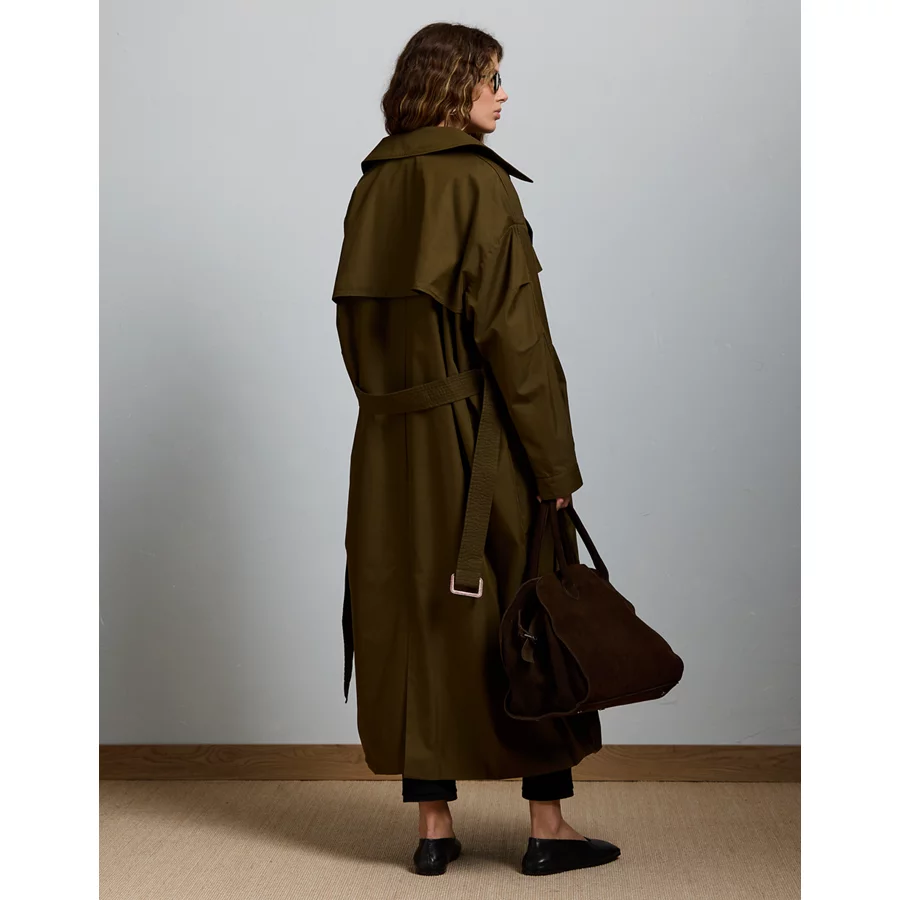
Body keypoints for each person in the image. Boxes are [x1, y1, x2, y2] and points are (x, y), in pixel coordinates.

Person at [331, 22, 621, 877]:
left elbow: (352, 330)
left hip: (388, 448)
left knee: (414, 617)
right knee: (531, 609)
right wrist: (554, 465)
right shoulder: (478, 183)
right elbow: (518, 341)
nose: (502, 93)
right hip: (477, 445)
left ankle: (433, 829)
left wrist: (396, 412)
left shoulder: (371, 187)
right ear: (452, 85)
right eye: (490, 77)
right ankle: (547, 827)